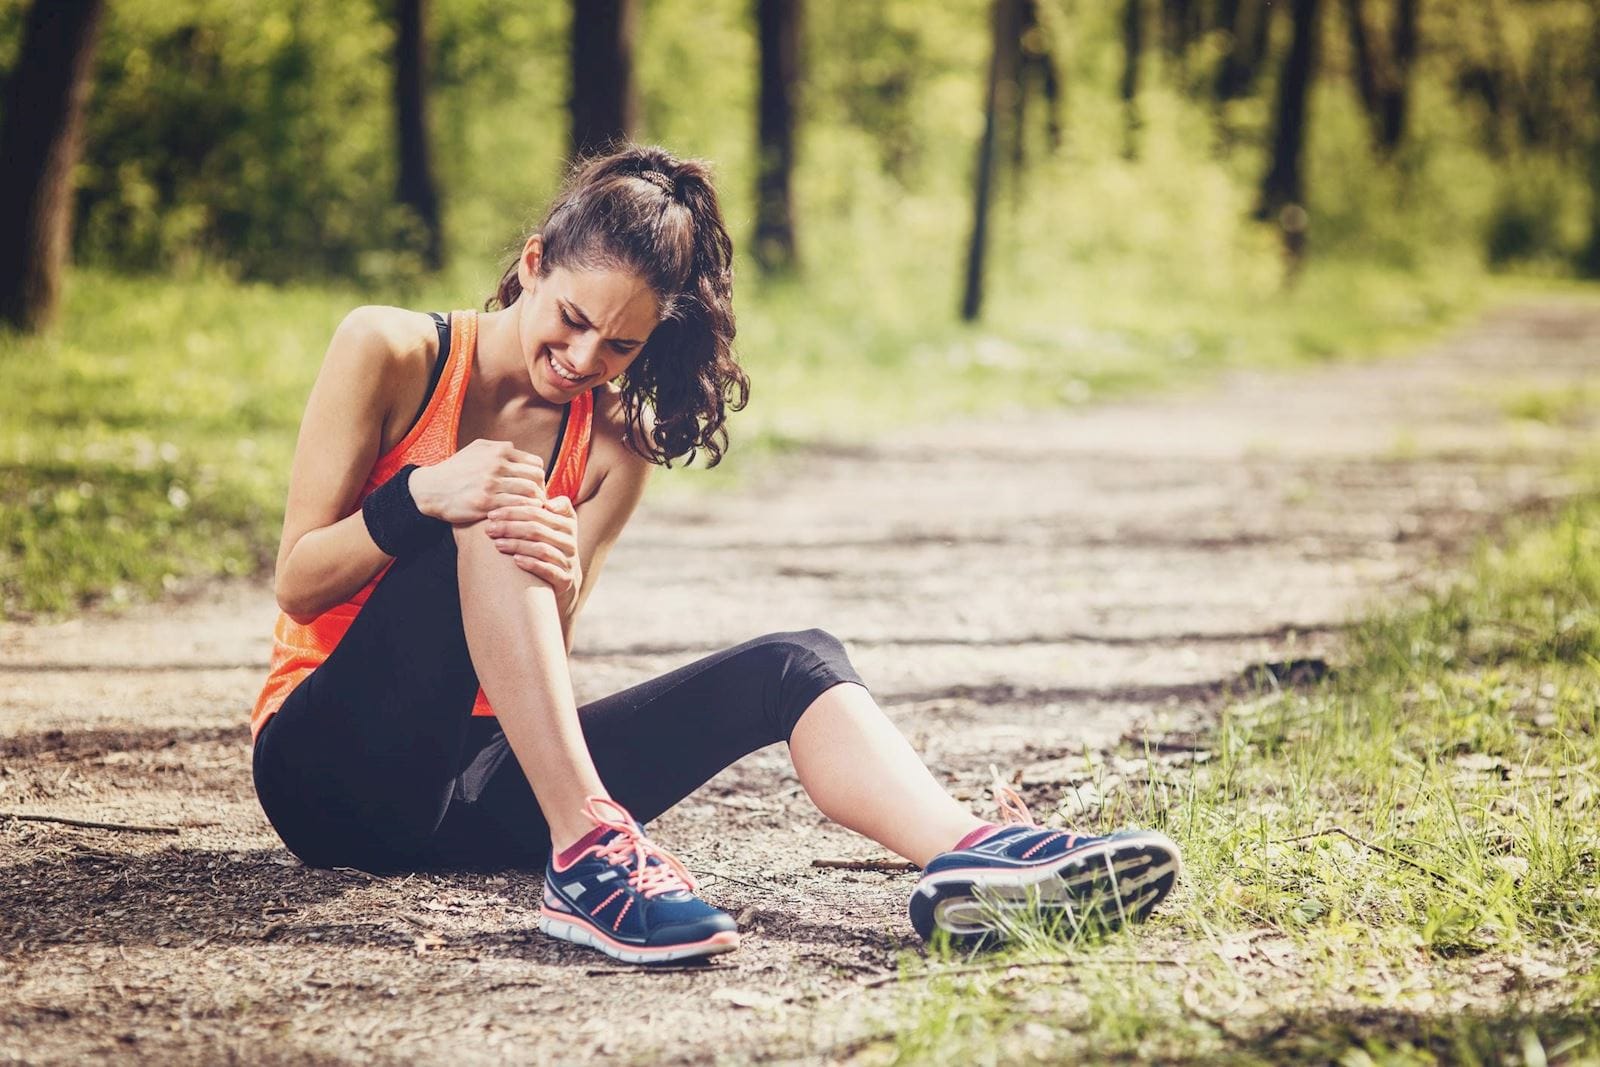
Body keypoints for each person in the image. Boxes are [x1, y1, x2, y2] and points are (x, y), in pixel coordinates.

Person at [250, 144, 1181, 966]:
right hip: (327, 768)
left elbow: (528, 663)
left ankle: (972, 852)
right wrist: (419, 496)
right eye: (571, 319)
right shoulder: (393, 349)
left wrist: (562, 578)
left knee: (794, 662)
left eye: (621, 344)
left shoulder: (613, 445)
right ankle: (589, 854)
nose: (583, 358)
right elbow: (297, 580)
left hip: (472, 791)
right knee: (495, 505)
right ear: (532, 264)